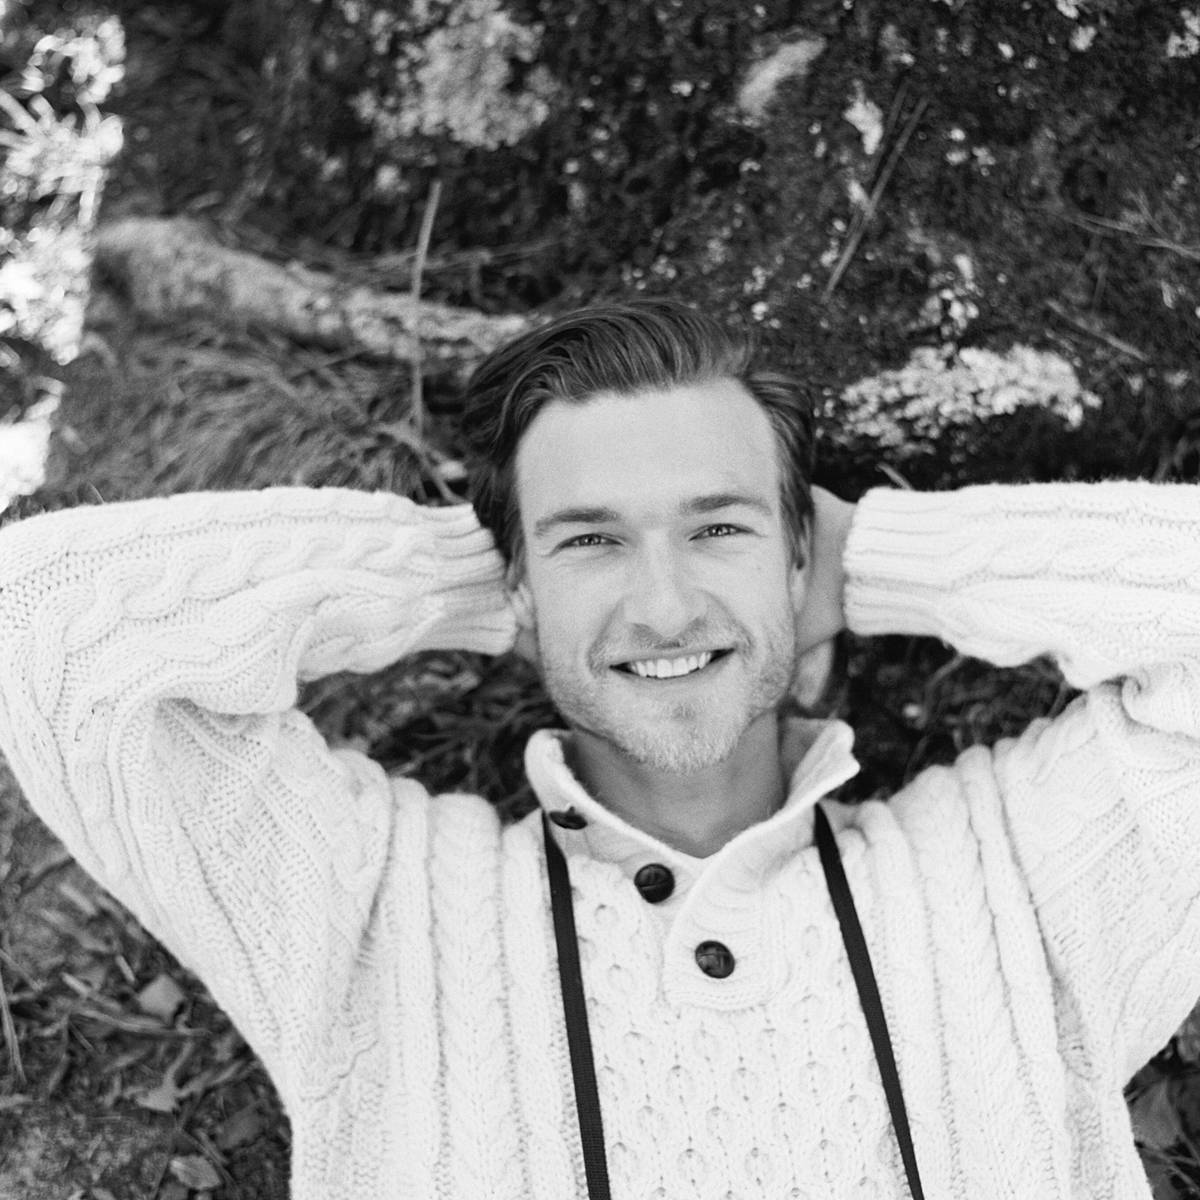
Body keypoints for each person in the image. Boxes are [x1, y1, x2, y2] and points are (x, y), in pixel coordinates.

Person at [0, 299, 1197, 1200]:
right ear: (511, 581)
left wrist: (884, 556)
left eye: (719, 528)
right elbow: (47, 627)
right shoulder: (369, 904)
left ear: (800, 558)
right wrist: (480, 583)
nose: (666, 607)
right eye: (593, 542)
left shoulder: (1019, 877)